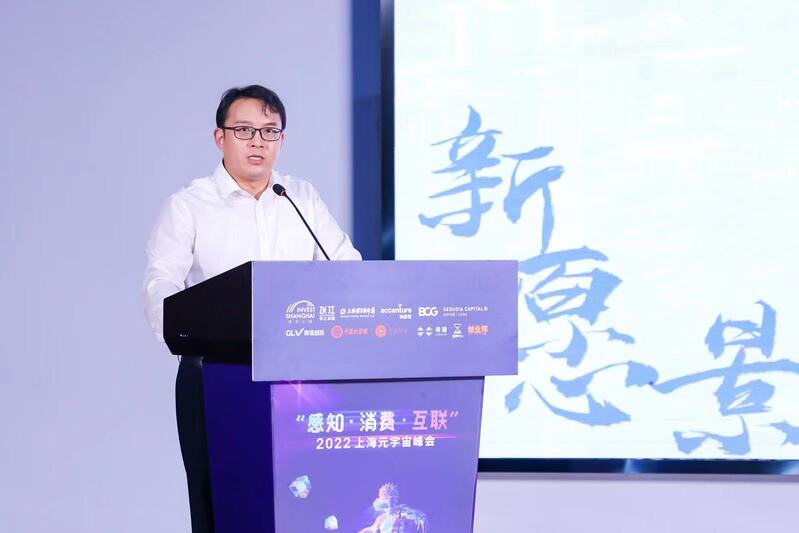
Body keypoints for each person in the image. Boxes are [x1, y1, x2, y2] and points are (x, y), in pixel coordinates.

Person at [143, 85, 361, 532]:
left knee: (301, 500)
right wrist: (184, 330)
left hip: (297, 374)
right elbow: (161, 284)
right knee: (221, 501)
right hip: (216, 372)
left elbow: (346, 266)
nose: (258, 141)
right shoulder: (189, 205)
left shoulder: (299, 196)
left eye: (269, 131)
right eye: (244, 130)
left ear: (282, 139)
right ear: (220, 137)